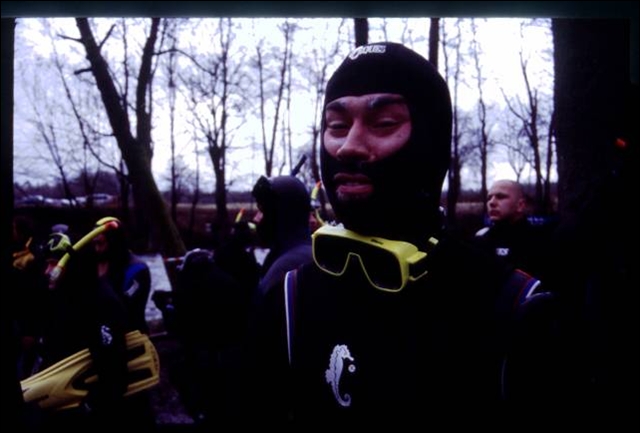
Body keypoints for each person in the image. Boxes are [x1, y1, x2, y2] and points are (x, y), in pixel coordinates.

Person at [240, 42, 560, 433]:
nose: (348, 146)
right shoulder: (292, 299)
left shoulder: (513, 305)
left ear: (431, 143)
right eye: (337, 126)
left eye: (384, 124)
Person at [34, 230, 131, 432]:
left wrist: (91, 406)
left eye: (52, 264)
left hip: (83, 409)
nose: (47, 271)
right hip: (58, 399)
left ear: (71, 265)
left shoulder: (101, 302)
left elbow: (113, 367)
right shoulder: (64, 296)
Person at [251, 175, 313, 299]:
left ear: (281, 213)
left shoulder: (287, 268)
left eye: (262, 210)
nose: (255, 219)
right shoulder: (306, 254)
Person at [473, 179, 548, 278]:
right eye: (489, 198)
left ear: (520, 205)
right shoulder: (481, 239)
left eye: (500, 197)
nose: (491, 202)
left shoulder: (540, 241)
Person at [92, 217, 151, 334]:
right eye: (95, 244)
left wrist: (103, 278)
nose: (97, 249)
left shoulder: (137, 269)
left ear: (114, 241)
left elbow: (122, 308)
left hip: (132, 336)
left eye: (100, 243)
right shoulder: (94, 265)